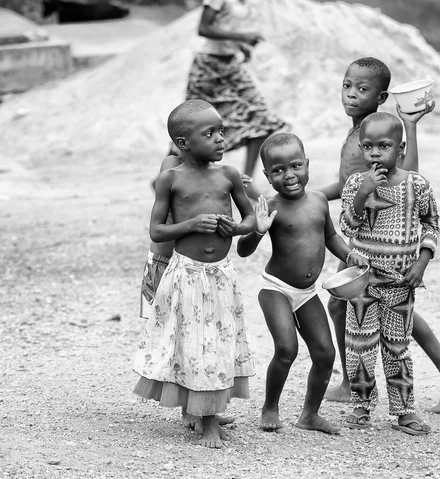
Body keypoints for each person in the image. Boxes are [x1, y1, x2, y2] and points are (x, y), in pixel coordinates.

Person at [320, 57, 440, 413]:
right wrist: (306, 196)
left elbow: (407, 179)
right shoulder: (361, 132)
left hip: (378, 241)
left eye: (362, 89)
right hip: (363, 237)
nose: (351, 95)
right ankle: (358, 382)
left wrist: (409, 126)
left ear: (381, 97)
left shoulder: (375, 136)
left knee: (379, 302)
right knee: (360, 302)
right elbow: (347, 186)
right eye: (347, 86)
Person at [133, 99, 256, 449]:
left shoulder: (229, 175)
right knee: (195, 346)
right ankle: (208, 423)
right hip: (187, 275)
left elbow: (248, 219)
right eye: (210, 133)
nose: (220, 138)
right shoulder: (170, 179)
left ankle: (204, 409)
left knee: (217, 343)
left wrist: (237, 229)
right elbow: (156, 231)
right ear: (184, 143)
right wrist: (190, 224)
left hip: (221, 276)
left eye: (221, 131)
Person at [237, 132, 368, 435]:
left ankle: (309, 415)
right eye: (278, 170)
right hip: (276, 289)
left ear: (307, 165)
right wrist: (257, 230)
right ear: (268, 177)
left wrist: (350, 255)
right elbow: (244, 251)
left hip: (307, 293)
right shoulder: (270, 206)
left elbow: (331, 237)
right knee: (286, 349)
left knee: (325, 353)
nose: (289, 175)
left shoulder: (320, 200)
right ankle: (270, 408)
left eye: (295, 166)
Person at [340, 111, 439, 434]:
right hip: (362, 281)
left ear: (400, 147)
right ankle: (361, 403)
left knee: (397, 346)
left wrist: (421, 262)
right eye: (368, 147)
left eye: (383, 146)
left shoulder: (417, 185)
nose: (374, 154)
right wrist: (362, 193)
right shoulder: (357, 183)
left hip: (401, 282)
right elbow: (346, 224)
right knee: (359, 344)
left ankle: (404, 410)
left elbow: (430, 223)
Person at [176, 0, 288, 199]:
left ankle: (246, 181)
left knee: (260, 118)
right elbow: (204, 28)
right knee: (192, 125)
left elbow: (226, 26)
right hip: (208, 68)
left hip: (230, 65)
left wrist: (240, 45)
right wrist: (243, 36)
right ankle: (165, 178)